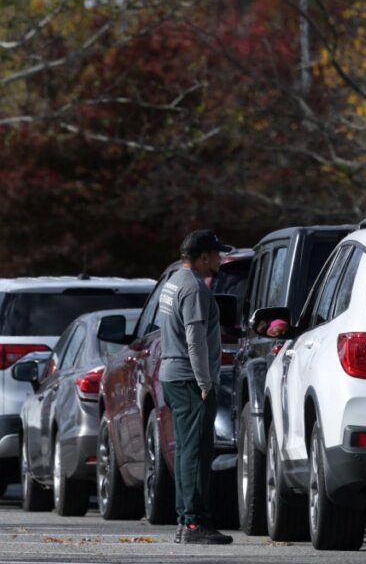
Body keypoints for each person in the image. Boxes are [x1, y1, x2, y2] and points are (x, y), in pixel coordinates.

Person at [157, 229, 234, 545]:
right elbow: (195, 339)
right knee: (195, 452)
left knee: (187, 450)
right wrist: (205, 382)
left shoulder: (172, 282)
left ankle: (185, 520)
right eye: (216, 254)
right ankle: (193, 524)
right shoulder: (194, 289)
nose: (220, 258)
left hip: (172, 375)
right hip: (189, 378)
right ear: (203, 257)